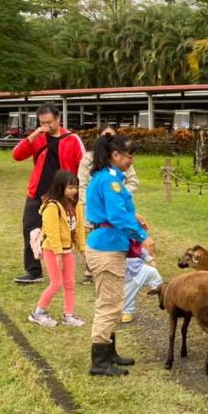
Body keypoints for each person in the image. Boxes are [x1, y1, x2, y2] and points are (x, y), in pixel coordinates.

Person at [84, 133, 154, 377]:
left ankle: (109, 351)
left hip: (108, 245)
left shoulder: (106, 178)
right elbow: (115, 215)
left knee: (113, 301)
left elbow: (116, 210)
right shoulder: (111, 180)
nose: (131, 161)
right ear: (115, 155)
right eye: (129, 156)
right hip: (106, 248)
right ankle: (100, 361)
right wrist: (142, 236)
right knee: (109, 304)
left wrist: (134, 217)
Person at [12, 104, 85, 284]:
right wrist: (32, 136)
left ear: (58, 119)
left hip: (62, 195)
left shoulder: (73, 139)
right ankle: (33, 271)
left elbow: (83, 166)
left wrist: (77, 193)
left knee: (65, 233)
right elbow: (17, 155)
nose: (46, 126)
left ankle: (70, 270)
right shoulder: (37, 138)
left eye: (50, 122)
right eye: (42, 122)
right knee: (31, 231)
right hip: (37, 193)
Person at [78, 125, 139, 285]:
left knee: (111, 298)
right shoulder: (106, 176)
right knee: (109, 301)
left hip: (111, 222)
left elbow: (132, 181)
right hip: (105, 232)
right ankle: (89, 268)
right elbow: (82, 184)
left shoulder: (113, 173)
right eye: (106, 137)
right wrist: (142, 237)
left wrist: (119, 198)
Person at [28, 170, 87, 328]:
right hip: (52, 250)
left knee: (69, 283)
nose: (74, 191)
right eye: (70, 187)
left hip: (67, 251)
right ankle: (38, 313)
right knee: (56, 283)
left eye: (76, 187)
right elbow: (52, 232)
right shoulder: (52, 207)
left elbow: (79, 230)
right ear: (61, 187)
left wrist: (83, 250)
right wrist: (58, 253)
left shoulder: (77, 206)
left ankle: (69, 314)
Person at [121, 245, 162, 324]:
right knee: (128, 293)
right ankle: (127, 311)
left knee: (153, 272)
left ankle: (159, 289)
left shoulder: (134, 239)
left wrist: (150, 260)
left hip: (139, 267)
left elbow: (141, 250)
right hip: (125, 272)